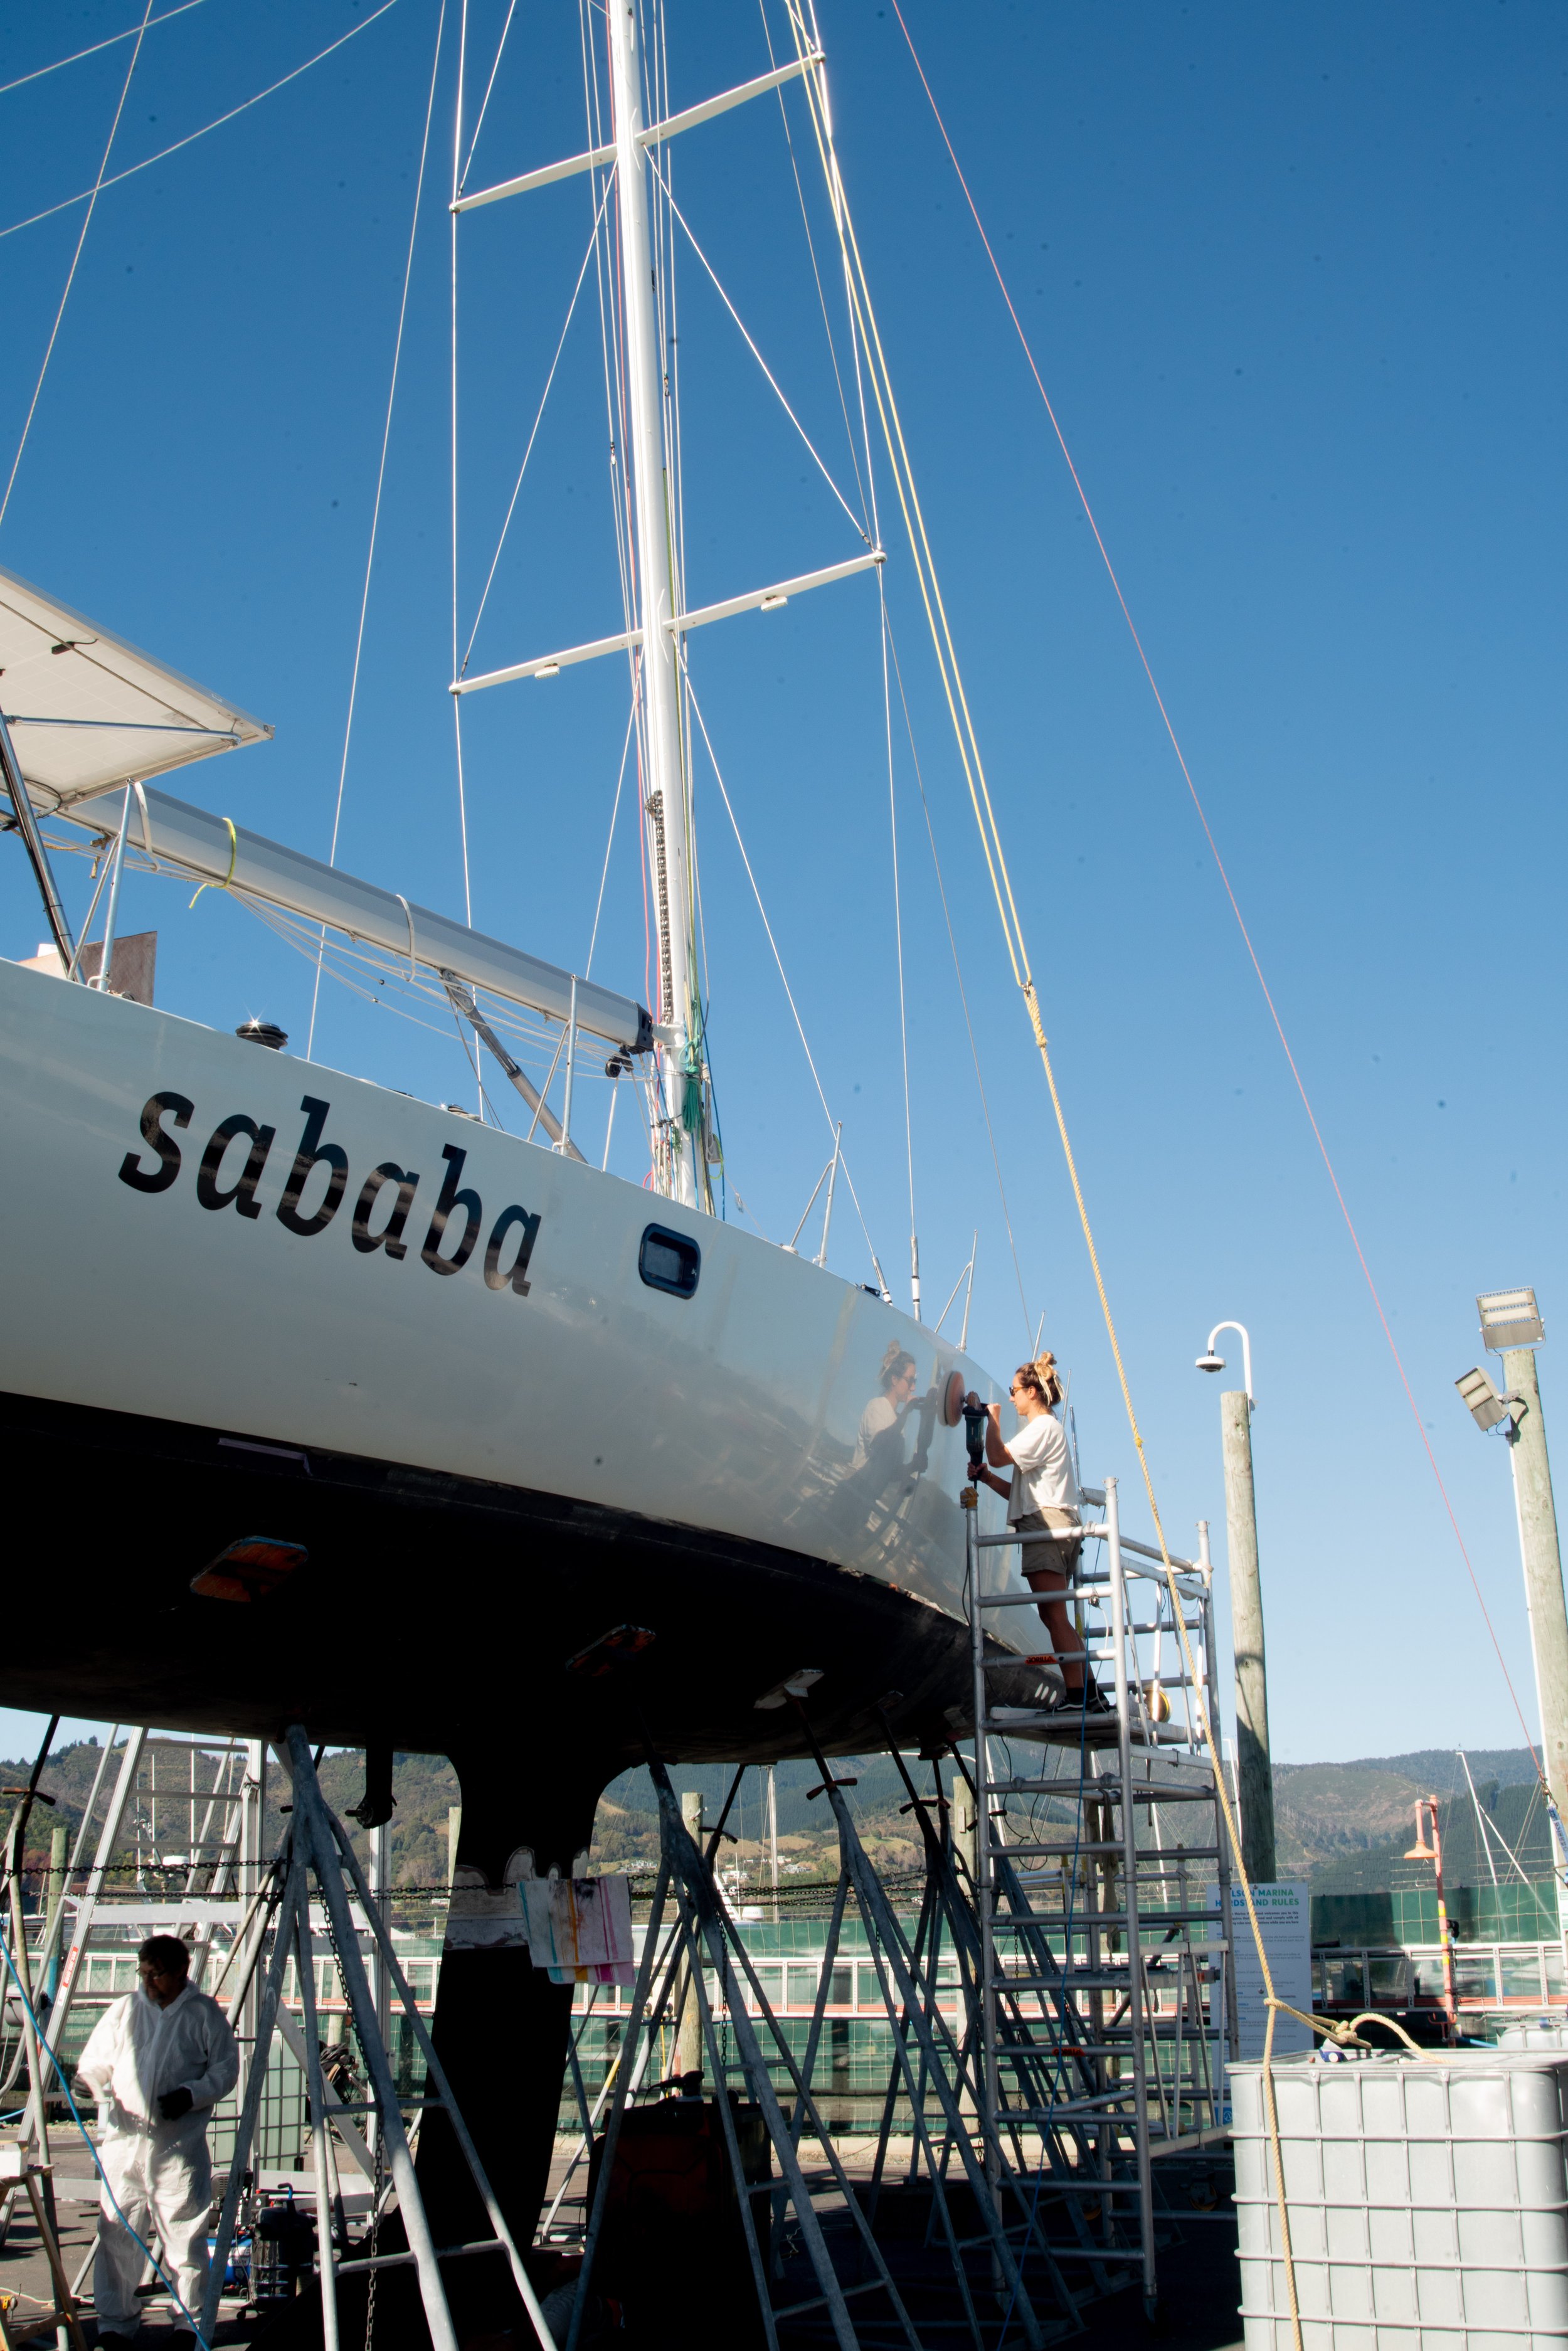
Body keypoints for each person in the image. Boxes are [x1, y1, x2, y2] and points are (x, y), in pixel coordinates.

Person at [75, 1933, 239, 2346]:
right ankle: (115, 2324)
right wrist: (89, 2082)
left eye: (157, 1973)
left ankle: (190, 2325)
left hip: (175, 2149)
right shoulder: (126, 2011)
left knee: (184, 2237)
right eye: (143, 1972)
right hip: (122, 2143)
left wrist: (191, 2095)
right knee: (117, 2234)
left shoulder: (203, 2015)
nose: (148, 1981)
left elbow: (225, 2071)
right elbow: (96, 2060)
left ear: (181, 1971)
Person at [972, 1356, 1106, 1710]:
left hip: (1046, 1529)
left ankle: (1078, 1697)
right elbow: (1022, 1492)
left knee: (1055, 1617)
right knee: (1053, 1616)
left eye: (1015, 1391)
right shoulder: (1046, 1432)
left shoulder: (1042, 1428)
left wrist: (993, 1418)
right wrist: (986, 1478)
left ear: (1033, 1392)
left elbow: (998, 1455)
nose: (1012, 1396)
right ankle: (1091, 1693)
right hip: (1052, 1524)